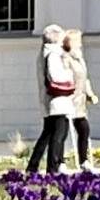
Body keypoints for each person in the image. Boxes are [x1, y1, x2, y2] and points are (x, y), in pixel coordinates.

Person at [26, 25, 79, 174]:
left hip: (52, 100)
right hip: (58, 100)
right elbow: (56, 76)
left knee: (48, 133)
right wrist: (69, 76)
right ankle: (53, 166)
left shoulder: (45, 53)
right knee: (59, 134)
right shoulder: (54, 54)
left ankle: (33, 165)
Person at [64, 30, 100, 173]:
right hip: (70, 99)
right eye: (77, 40)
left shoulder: (80, 58)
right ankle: (60, 160)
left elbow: (85, 79)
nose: (80, 43)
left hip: (80, 101)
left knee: (84, 130)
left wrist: (90, 94)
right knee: (64, 132)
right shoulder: (66, 58)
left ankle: (84, 161)